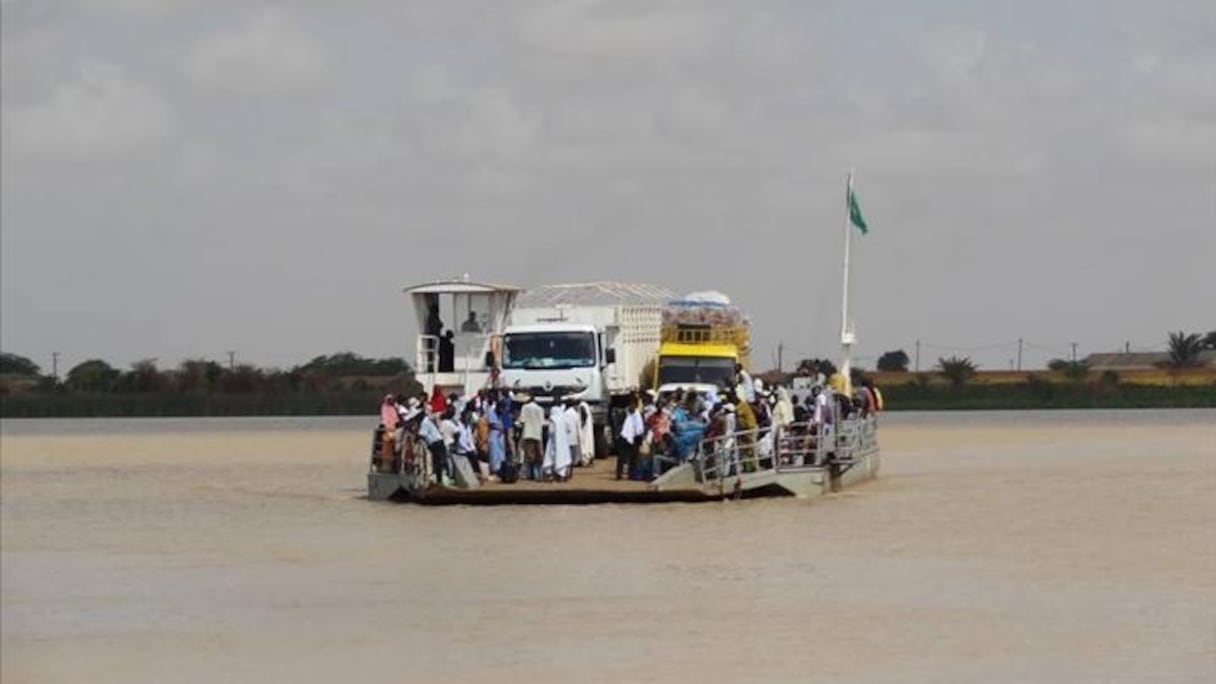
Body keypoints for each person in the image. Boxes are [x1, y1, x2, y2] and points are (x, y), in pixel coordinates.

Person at [518, 395, 545, 480]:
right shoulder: (540, 409)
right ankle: (538, 475)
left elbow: (522, 420)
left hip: (528, 434)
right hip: (537, 434)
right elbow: (542, 423)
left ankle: (529, 474)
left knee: (529, 455)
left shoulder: (525, 408)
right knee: (538, 455)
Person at [616, 400, 644, 480]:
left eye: (633, 405)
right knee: (621, 457)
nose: (631, 407)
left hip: (635, 438)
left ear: (635, 406)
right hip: (624, 436)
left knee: (633, 458)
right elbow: (618, 423)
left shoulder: (638, 415)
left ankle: (631, 475)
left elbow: (640, 428)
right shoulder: (624, 413)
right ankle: (619, 474)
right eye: (630, 405)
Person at [418, 410, 448, 486]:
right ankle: (439, 480)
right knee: (439, 462)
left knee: (437, 462)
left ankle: (439, 480)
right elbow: (423, 434)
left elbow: (422, 434)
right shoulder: (427, 421)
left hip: (436, 443)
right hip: (437, 442)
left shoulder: (426, 422)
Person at [544, 405, 572, 481]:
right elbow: (569, 429)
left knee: (550, 457)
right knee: (562, 457)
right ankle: (561, 475)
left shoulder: (552, 419)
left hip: (553, 442)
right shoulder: (564, 418)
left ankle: (550, 475)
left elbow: (551, 431)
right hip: (563, 442)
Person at [486, 399, 506, 479]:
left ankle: (501, 469)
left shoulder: (500, 414)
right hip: (494, 434)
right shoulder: (491, 412)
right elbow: (491, 424)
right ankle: (494, 470)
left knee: (501, 453)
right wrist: (499, 428)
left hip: (500, 436)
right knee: (494, 453)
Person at [577, 400, 595, 466]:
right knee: (588, 442)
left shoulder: (582, 405)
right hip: (587, 428)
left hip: (584, 429)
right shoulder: (585, 405)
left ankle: (585, 460)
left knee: (584, 444)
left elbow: (584, 415)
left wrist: (582, 424)